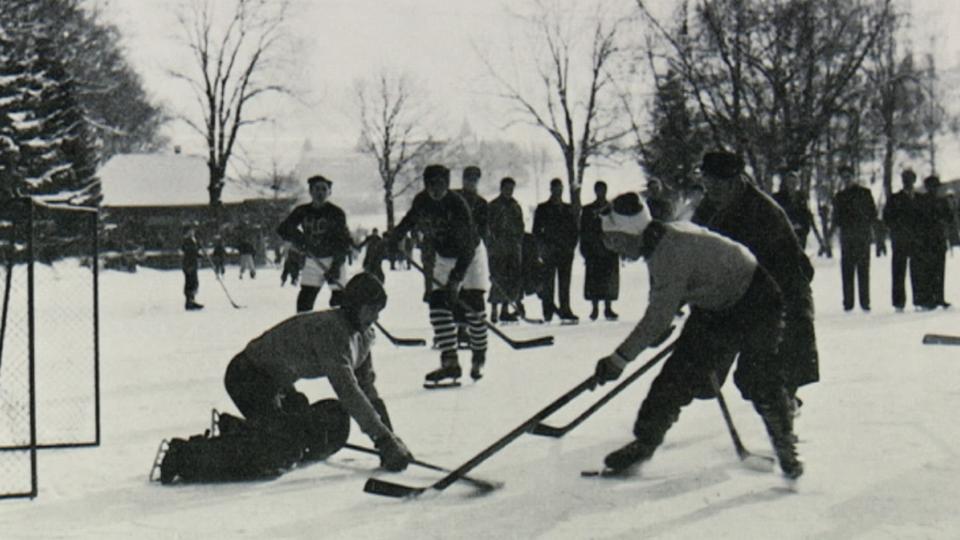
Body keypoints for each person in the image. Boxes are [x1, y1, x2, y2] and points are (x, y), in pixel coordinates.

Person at [592, 192, 802, 480]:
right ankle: (645, 443)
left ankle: (785, 445)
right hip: (714, 308)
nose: (616, 251)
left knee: (758, 377)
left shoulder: (669, 253)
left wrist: (619, 359)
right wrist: (657, 330)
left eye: (616, 241)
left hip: (757, 300)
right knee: (676, 377)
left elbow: (658, 315)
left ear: (633, 234)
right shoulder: (660, 243)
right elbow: (664, 305)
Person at [220, 272, 412, 472]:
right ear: (354, 305)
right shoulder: (331, 331)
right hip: (247, 377)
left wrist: (391, 438)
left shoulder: (363, 336)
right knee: (280, 451)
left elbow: (367, 388)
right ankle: (195, 453)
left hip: (279, 384)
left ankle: (263, 431)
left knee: (336, 422)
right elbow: (347, 390)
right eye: (370, 310)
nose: (375, 318)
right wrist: (383, 439)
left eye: (378, 311)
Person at [693, 151, 818, 412]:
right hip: (740, 298)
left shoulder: (762, 212)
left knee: (766, 374)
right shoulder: (710, 207)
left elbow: (785, 270)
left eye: (716, 183)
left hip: (783, 295)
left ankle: (785, 422)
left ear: (735, 181)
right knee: (705, 372)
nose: (710, 190)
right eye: (706, 182)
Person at [390, 164, 490, 385]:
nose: (436, 189)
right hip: (444, 256)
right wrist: (394, 238)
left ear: (447, 184)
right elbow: (409, 221)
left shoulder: (457, 205)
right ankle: (450, 362)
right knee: (437, 304)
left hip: (470, 255)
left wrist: (456, 280)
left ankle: (479, 353)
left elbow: (466, 248)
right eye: (431, 184)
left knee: (474, 307)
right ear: (426, 185)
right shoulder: (421, 201)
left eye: (441, 184)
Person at [278, 175, 353, 312]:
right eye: (317, 189)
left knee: (339, 301)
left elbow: (342, 242)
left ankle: (342, 330)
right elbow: (283, 229)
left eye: (324, 189)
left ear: (329, 192)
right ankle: (304, 330)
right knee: (305, 303)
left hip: (333, 259)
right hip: (312, 261)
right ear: (310, 191)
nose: (320, 193)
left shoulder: (336, 213)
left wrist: (336, 266)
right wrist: (301, 241)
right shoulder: (302, 211)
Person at [831, 166, 878, 311]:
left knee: (863, 270)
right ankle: (848, 303)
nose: (847, 179)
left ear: (854, 176)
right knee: (847, 271)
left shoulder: (865, 193)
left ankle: (865, 302)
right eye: (844, 177)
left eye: (849, 176)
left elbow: (873, 214)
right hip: (847, 237)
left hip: (862, 236)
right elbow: (836, 218)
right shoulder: (839, 197)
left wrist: (869, 229)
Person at [532, 178, 579, 323]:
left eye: (560, 189)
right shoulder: (542, 208)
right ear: (551, 189)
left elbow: (574, 230)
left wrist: (571, 247)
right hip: (549, 251)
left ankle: (565, 309)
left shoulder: (568, 209)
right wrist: (542, 248)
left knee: (565, 283)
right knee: (548, 283)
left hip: (565, 252)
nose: (558, 192)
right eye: (555, 189)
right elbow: (536, 231)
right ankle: (548, 311)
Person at [486, 176, 525, 323]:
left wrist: (517, 242)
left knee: (511, 281)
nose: (509, 191)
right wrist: (492, 244)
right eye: (507, 188)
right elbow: (487, 228)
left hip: (512, 250)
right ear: (501, 189)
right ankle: (494, 310)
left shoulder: (515, 206)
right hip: (497, 250)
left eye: (511, 189)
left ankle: (505, 310)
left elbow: (520, 226)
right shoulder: (493, 206)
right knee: (497, 279)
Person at [579, 180, 619, 321]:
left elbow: (617, 228)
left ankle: (608, 308)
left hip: (609, 248)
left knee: (609, 279)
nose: (600, 193)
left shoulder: (613, 209)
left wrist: (618, 245)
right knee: (594, 280)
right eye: (598, 190)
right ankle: (594, 308)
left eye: (603, 190)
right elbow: (583, 230)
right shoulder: (588, 209)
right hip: (593, 249)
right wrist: (584, 249)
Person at [883, 169, 922, 311]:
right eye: (906, 179)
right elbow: (887, 218)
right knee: (898, 271)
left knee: (917, 271)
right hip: (899, 240)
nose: (908, 183)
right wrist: (897, 229)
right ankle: (899, 303)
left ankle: (918, 300)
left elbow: (924, 219)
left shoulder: (919, 199)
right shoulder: (894, 199)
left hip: (916, 240)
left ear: (914, 181)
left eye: (910, 180)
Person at [914, 175, 952, 309]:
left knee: (939, 270)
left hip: (939, 240)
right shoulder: (921, 201)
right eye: (932, 187)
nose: (934, 189)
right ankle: (929, 298)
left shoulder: (942, 201)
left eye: (936, 187)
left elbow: (949, 219)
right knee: (929, 270)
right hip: (926, 241)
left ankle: (939, 297)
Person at [772, 171, 814, 250]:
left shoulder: (801, 197)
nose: (792, 184)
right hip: (784, 234)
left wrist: (804, 228)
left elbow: (806, 214)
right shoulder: (778, 197)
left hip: (799, 234)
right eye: (790, 182)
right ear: (786, 183)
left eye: (794, 182)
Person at [181, 225, 203, 310]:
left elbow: (194, 250)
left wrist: (198, 250)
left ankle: (191, 300)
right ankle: (189, 302)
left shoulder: (192, 240)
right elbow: (190, 251)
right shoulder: (187, 240)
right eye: (191, 231)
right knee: (191, 283)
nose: (193, 232)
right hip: (189, 264)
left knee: (193, 282)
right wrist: (196, 250)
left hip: (192, 263)